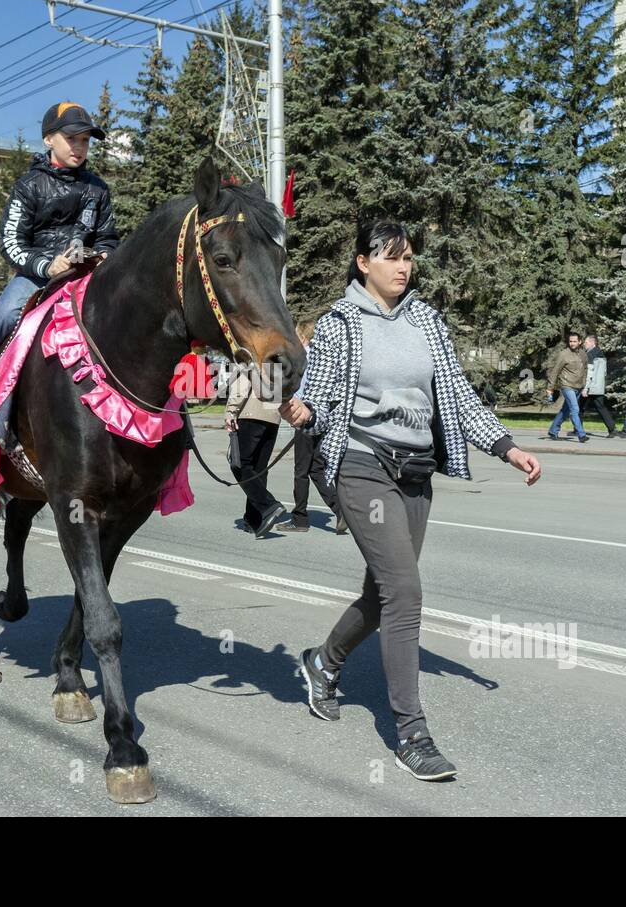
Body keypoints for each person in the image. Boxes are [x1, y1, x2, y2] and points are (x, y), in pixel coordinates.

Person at [279, 219, 542, 782]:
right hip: (360, 463)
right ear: (362, 262)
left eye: (409, 258)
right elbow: (319, 392)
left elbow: (455, 392)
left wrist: (505, 446)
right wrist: (304, 410)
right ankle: (411, 733)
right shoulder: (340, 323)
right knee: (405, 590)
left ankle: (323, 661)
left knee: (383, 592)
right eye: (392, 257)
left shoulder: (426, 320)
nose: (404, 267)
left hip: (415, 471)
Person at [0, 101, 119, 447]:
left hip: (84, 275)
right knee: (3, 314)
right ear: (49, 139)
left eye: (85, 140)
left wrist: (105, 253)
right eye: (72, 139)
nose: (80, 147)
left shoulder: (98, 188)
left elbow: (108, 235)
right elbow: (10, 241)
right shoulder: (29, 186)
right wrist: (47, 265)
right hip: (37, 276)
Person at [275, 319, 345, 535]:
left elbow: (294, 389)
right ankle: (341, 510)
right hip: (322, 418)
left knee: (301, 471)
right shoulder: (324, 357)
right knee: (316, 468)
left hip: (305, 416)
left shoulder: (301, 358)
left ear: (303, 336)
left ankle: (300, 518)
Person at [225, 365, 286, 538]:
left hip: (251, 412)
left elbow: (242, 385)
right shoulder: (277, 355)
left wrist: (230, 412)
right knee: (259, 469)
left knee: (240, 464)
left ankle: (268, 505)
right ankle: (254, 520)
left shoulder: (251, 351)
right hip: (272, 415)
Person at [546, 332, 589, 442]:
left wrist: (585, 385)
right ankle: (581, 434)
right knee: (575, 409)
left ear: (579, 342)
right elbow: (555, 371)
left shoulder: (583, 354)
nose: (572, 343)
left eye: (574, 341)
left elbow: (585, 370)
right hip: (567, 385)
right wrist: (550, 388)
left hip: (579, 386)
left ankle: (553, 430)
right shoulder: (564, 354)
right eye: (570, 341)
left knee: (565, 410)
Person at [580, 334, 618, 438]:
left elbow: (590, 373)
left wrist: (586, 388)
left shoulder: (590, 355)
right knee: (601, 407)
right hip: (598, 386)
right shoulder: (601, 354)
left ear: (592, 343)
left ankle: (578, 430)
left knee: (579, 407)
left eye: (586, 342)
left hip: (590, 386)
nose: (584, 344)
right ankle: (612, 429)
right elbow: (604, 372)